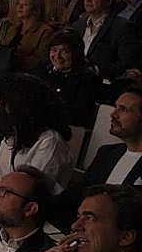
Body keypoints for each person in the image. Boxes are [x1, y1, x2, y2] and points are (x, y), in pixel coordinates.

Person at [54, 91, 142, 227]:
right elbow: (79, 195)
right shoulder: (107, 153)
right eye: (115, 107)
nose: (113, 114)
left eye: (123, 109)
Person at [0, 73, 74, 195]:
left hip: (20, 208)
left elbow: (27, 188)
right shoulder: (15, 133)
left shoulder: (50, 142)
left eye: (3, 104)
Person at [71, 0, 141, 82]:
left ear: (108, 1)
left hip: (104, 84)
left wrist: (97, 70)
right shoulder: (77, 25)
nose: (88, 0)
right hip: (75, 81)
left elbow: (127, 62)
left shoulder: (122, 27)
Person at [35, 30, 103, 127]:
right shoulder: (42, 70)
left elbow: (78, 116)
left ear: (77, 54)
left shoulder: (87, 79)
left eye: (65, 51)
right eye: (54, 50)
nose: (57, 56)